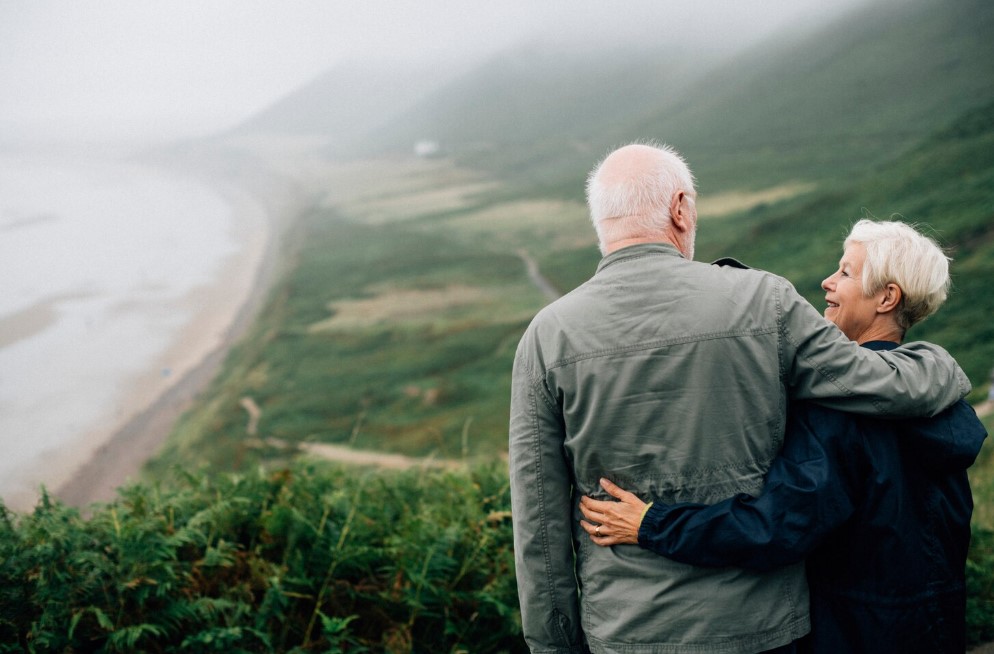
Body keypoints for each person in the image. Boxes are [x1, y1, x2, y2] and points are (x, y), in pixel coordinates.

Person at [508, 142, 972, 654]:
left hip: (625, 631)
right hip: (765, 628)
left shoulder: (546, 336)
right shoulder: (765, 301)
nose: (830, 281)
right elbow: (880, 384)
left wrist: (554, 645)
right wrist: (940, 364)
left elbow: (540, 529)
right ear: (680, 207)